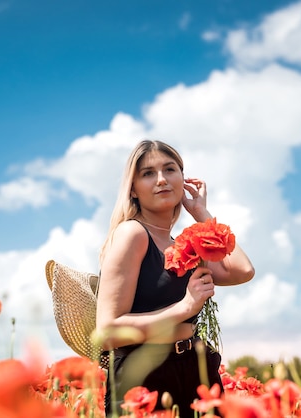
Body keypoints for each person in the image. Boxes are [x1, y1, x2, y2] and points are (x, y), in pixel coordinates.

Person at [96, 139, 255, 417]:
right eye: (148, 173)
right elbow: (108, 332)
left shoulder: (181, 243)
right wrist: (185, 307)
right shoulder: (132, 234)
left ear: (183, 178)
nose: (161, 180)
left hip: (194, 368)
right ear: (133, 189)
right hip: (144, 378)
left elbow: (242, 270)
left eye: (170, 170)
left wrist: (201, 215)